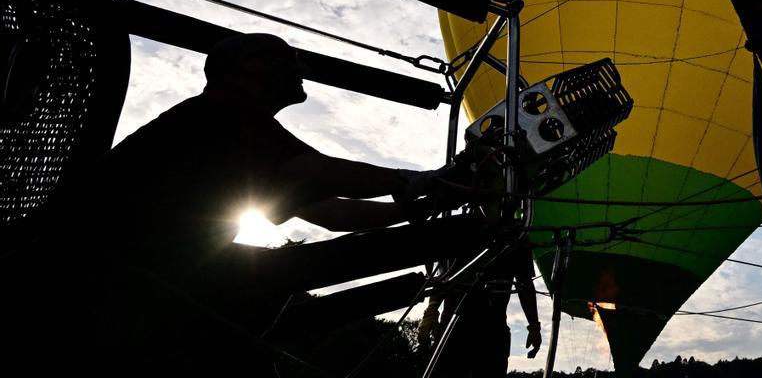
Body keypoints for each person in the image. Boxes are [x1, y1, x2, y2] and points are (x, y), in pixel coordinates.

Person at [38, 33, 487, 374]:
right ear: (243, 69)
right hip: (117, 283)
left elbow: (334, 214)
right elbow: (317, 172)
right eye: (282, 55)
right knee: (269, 283)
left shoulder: (242, 140)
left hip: (151, 284)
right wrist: (421, 181)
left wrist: (422, 208)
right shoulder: (218, 115)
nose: (298, 63)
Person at [419, 243, 542, 376]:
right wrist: (431, 310)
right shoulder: (453, 229)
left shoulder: (514, 235)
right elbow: (440, 276)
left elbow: (525, 284)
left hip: (492, 330)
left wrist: (534, 325)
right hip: (452, 328)